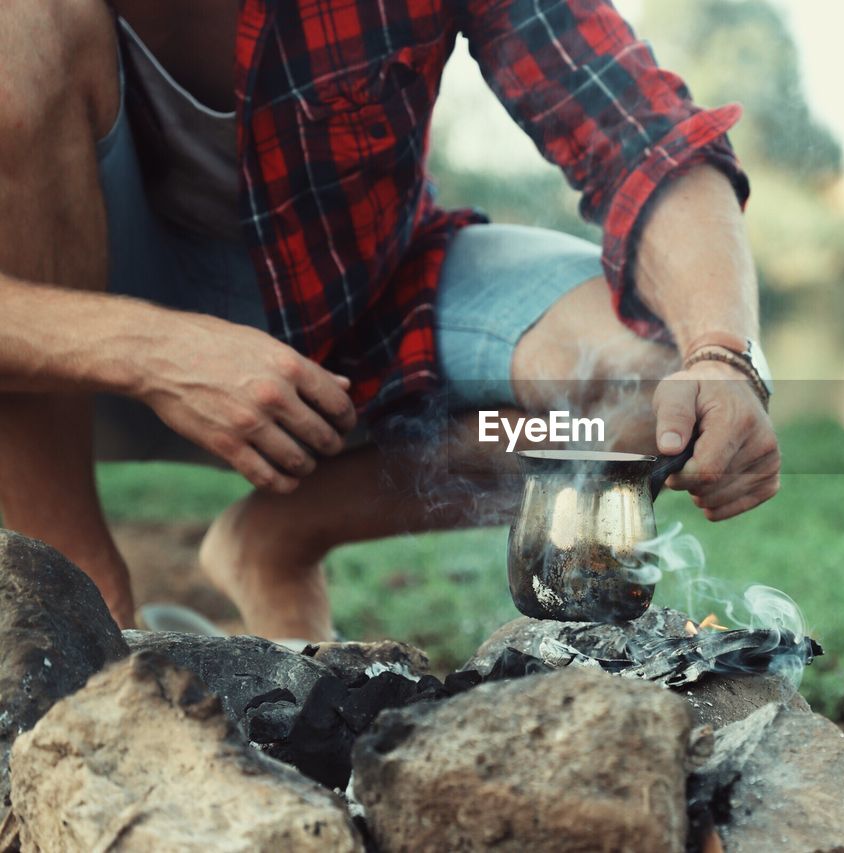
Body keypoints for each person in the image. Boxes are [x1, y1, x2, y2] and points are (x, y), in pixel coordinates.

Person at [0, 0, 780, 641]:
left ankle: (276, 537)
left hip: (358, 321)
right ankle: (78, 605)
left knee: (642, 393)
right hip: (77, 346)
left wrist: (720, 354)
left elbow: (641, 133)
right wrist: (154, 350)